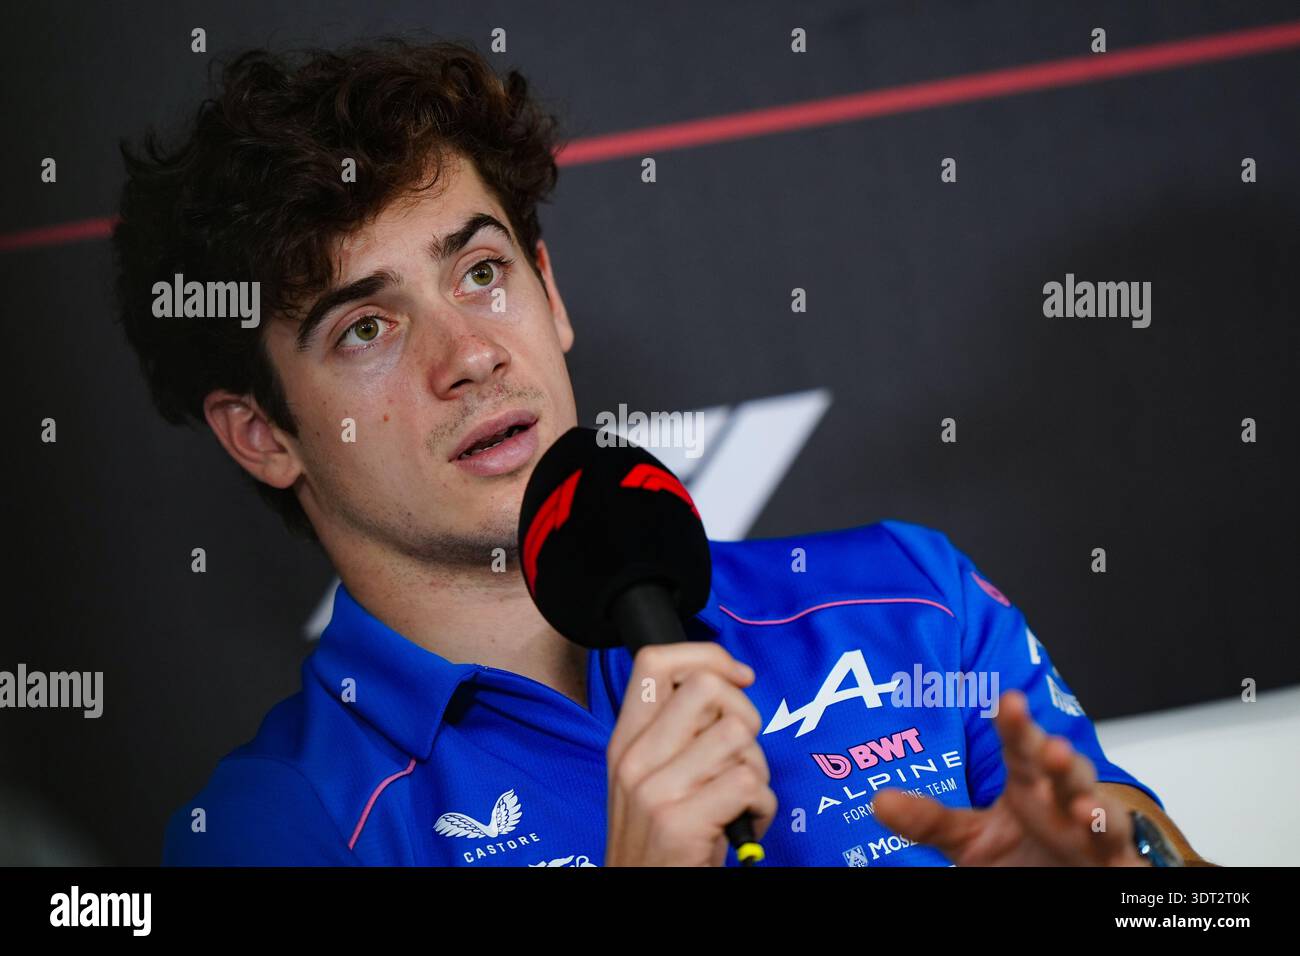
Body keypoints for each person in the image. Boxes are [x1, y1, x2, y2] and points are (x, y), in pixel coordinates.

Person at [113, 37, 1207, 866]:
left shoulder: (905, 596)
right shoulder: (268, 832)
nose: (470, 356)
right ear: (260, 434)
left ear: (550, 291)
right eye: (366, 327)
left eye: (481, 272)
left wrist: (1129, 873)